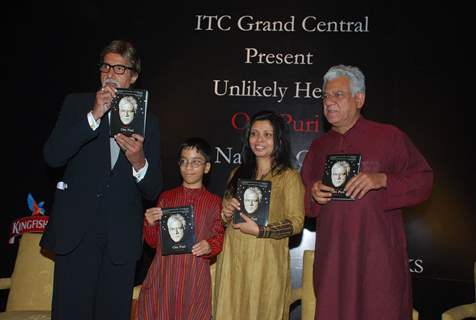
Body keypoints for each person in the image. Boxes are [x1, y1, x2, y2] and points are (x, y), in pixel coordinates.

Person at [40, 40, 163, 320]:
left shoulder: (149, 122)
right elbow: (53, 156)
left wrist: (139, 161)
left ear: (133, 77)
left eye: (120, 68)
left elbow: (153, 188)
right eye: (106, 66)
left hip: (120, 241)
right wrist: (93, 116)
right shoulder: (76, 105)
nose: (110, 73)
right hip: (76, 235)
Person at [300, 64, 433, 320]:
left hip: (378, 256)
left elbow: (423, 180)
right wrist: (312, 193)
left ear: (359, 99)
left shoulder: (389, 136)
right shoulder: (319, 147)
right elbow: (303, 201)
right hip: (333, 260)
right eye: (325, 96)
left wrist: (382, 179)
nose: (329, 102)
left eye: (338, 95)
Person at [214, 110, 305, 320]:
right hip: (233, 258)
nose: (259, 140)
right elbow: (224, 219)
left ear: (278, 139)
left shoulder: (289, 177)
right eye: (254, 134)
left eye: (267, 134)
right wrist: (226, 212)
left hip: (267, 261)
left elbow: (297, 222)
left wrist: (262, 230)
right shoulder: (237, 173)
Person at [136, 137, 224, 320]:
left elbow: (219, 236)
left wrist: (209, 245)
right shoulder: (166, 198)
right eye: (184, 161)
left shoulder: (214, 202)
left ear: (207, 168)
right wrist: (150, 223)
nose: (188, 167)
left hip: (194, 278)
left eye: (196, 162)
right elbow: (153, 243)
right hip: (164, 276)